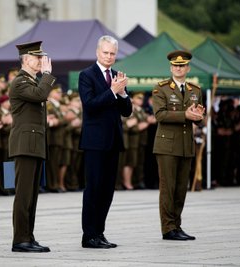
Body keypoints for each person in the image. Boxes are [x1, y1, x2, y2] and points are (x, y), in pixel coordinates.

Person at [78, 35, 132, 249]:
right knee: (94, 189)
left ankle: (99, 232)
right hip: (94, 141)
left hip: (113, 140)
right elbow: (90, 105)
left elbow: (126, 111)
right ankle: (88, 235)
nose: (109, 57)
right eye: (105, 53)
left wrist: (123, 93)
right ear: (97, 52)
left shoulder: (118, 76)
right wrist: (112, 91)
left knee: (107, 190)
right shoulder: (87, 75)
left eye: (112, 53)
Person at [152, 50, 205, 241]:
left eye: (182, 66)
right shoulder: (161, 89)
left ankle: (177, 225)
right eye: (175, 65)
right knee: (168, 188)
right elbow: (160, 115)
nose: (178, 68)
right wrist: (186, 115)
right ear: (171, 68)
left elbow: (198, 118)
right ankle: (168, 229)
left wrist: (199, 117)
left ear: (188, 68)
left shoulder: (195, 90)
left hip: (185, 145)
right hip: (166, 145)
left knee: (181, 188)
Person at [8, 41, 55, 253]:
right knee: (24, 194)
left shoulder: (32, 81)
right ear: (26, 59)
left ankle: (28, 236)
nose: (41, 61)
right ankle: (20, 239)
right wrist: (47, 75)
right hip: (25, 145)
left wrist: (43, 77)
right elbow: (40, 95)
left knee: (32, 196)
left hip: (34, 144)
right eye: (37, 57)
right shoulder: (20, 82)